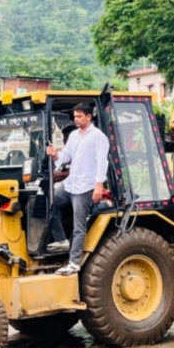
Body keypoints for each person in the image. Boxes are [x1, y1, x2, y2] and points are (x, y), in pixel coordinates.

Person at [45, 103, 110, 275]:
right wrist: (55, 154)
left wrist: (98, 185)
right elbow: (66, 155)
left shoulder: (99, 137)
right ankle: (60, 239)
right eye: (75, 116)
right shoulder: (74, 135)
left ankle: (74, 262)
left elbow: (102, 162)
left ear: (89, 117)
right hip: (71, 183)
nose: (76, 119)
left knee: (79, 226)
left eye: (79, 116)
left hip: (86, 186)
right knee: (49, 202)